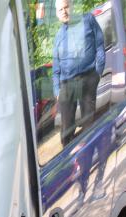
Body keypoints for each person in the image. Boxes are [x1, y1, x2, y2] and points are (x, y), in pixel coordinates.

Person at [52, 0, 106, 146]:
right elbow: (56, 68)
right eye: (60, 10)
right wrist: (57, 90)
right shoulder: (58, 37)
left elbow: (100, 45)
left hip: (88, 78)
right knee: (66, 130)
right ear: (57, 14)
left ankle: (86, 160)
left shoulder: (88, 20)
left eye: (66, 7)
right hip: (67, 84)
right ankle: (67, 160)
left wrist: (98, 72)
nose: (64, 11)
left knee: (88, 125)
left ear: (72, 7)